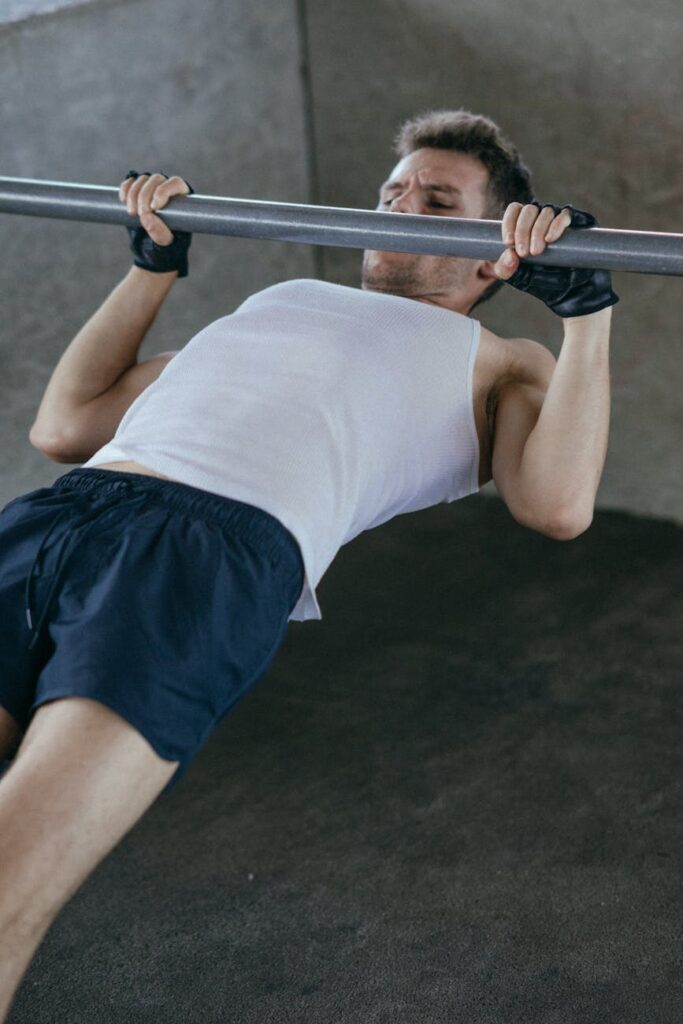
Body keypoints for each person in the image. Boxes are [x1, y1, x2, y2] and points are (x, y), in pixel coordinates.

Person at [0, 108, 617, 1020]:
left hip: (205, 556)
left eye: (436, 200)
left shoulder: (501, 362)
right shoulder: (282, 299)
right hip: (57, 518)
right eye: (390, 191)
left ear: (496, 252)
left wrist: (587, 318)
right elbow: (66, 426)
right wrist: (152, 267)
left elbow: (556, 505)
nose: (398, 205)